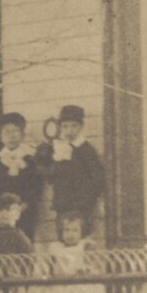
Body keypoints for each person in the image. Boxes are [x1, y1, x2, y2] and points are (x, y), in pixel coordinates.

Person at [44, 104, 108, 245]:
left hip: (81, 205)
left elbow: (98, 178)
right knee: (63, 239)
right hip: (63, 204)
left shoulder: (86, 149)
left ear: (81, 127)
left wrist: (86, 198)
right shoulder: (58, 148)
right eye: (65, 126)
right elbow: (51, 177)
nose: (69, 130)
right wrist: (52, 161)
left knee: (80, 239)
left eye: (74, 126)